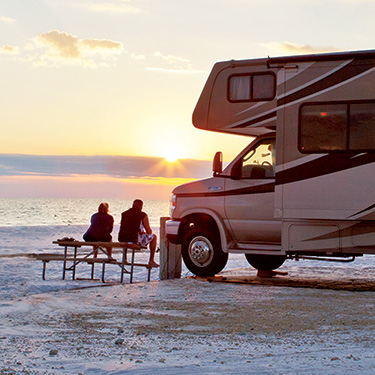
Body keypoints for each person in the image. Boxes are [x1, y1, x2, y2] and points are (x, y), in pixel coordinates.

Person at [118, 199, 159, 268]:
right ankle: (151, 260)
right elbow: (149, 231)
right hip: (135, 241)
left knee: (127, 236)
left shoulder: (124, 214)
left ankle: (124, 258)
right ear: (141, 206)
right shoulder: (142, 215)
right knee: (154, 237)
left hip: (123, 239)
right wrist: (144, 232)